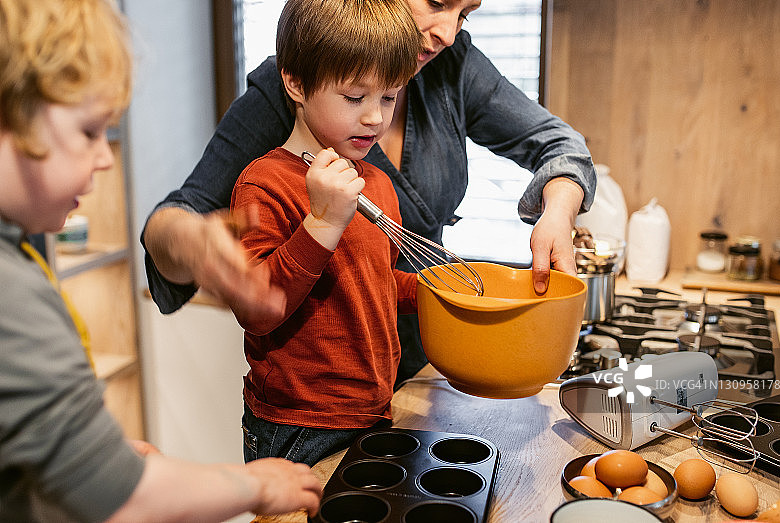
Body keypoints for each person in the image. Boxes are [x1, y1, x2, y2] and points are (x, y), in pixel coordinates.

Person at [142, 0, 597, 384]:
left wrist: (557, 211)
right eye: (438, 2)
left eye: (466, 13)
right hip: (320, 384)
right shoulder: (297, 80)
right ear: (297, 85)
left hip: (415, 363)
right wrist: (191, 241)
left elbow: (559, 144)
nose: (448, 32)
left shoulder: (453, 65)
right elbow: (180, 213)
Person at [0, 0, 321, 521]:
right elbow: (127, 500)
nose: (105, 157)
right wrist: (254, 485)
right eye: (87, 132)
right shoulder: (11, 297)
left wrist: (97, 455)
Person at [231, 0, 421, 467]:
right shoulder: (266, 184)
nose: (376, 117)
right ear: (295, 82)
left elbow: (372, 280)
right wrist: (322, 223)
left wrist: (431, 288)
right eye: (355, 98)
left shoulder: (374, 182)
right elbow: (256, 309)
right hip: (296, 426)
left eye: (389, 97)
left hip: (374, 408)